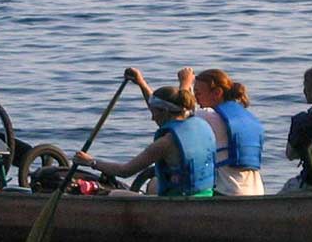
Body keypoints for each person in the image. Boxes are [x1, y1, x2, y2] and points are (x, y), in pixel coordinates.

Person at [73, 80, 216, 197]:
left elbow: (125, 171)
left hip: (179, 202)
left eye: (154, 113)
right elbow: (179, 97)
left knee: (114, 194)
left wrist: (91, 162)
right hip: (206, 193)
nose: (152, 118)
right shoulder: (200, 122)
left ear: (165, 112)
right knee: (153, 183)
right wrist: (140, 81)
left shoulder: (165, 143)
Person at [178, 67, 265, 195]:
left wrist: (185, 83)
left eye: (198, 94)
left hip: (228, 192)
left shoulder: (210, 116)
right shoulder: (246, 117)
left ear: (217, 92)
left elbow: (179, 113)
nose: (196, 100)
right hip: (256, 191)